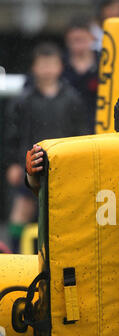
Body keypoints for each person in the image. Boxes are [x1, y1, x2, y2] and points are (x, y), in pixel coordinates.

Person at [4, 42, 89, 252]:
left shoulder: (73, 99)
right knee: (21, 211)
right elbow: (11, 135)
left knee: (64, 212)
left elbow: (82, 135)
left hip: (63, 164)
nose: (47, 69)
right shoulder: (23, 100)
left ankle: (63, 254)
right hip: (30, 163)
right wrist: (13, 163)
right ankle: (16, 255)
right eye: (43, 65)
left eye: (52, 64)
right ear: (33, 67)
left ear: (61, 67)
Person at [62, 16, 99, 134]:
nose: (78, 45)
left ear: (92, 38)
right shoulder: (59, 64)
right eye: (74, 40)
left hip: (98, 127)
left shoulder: (105, 62)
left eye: (82, 40)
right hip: (65, 129)